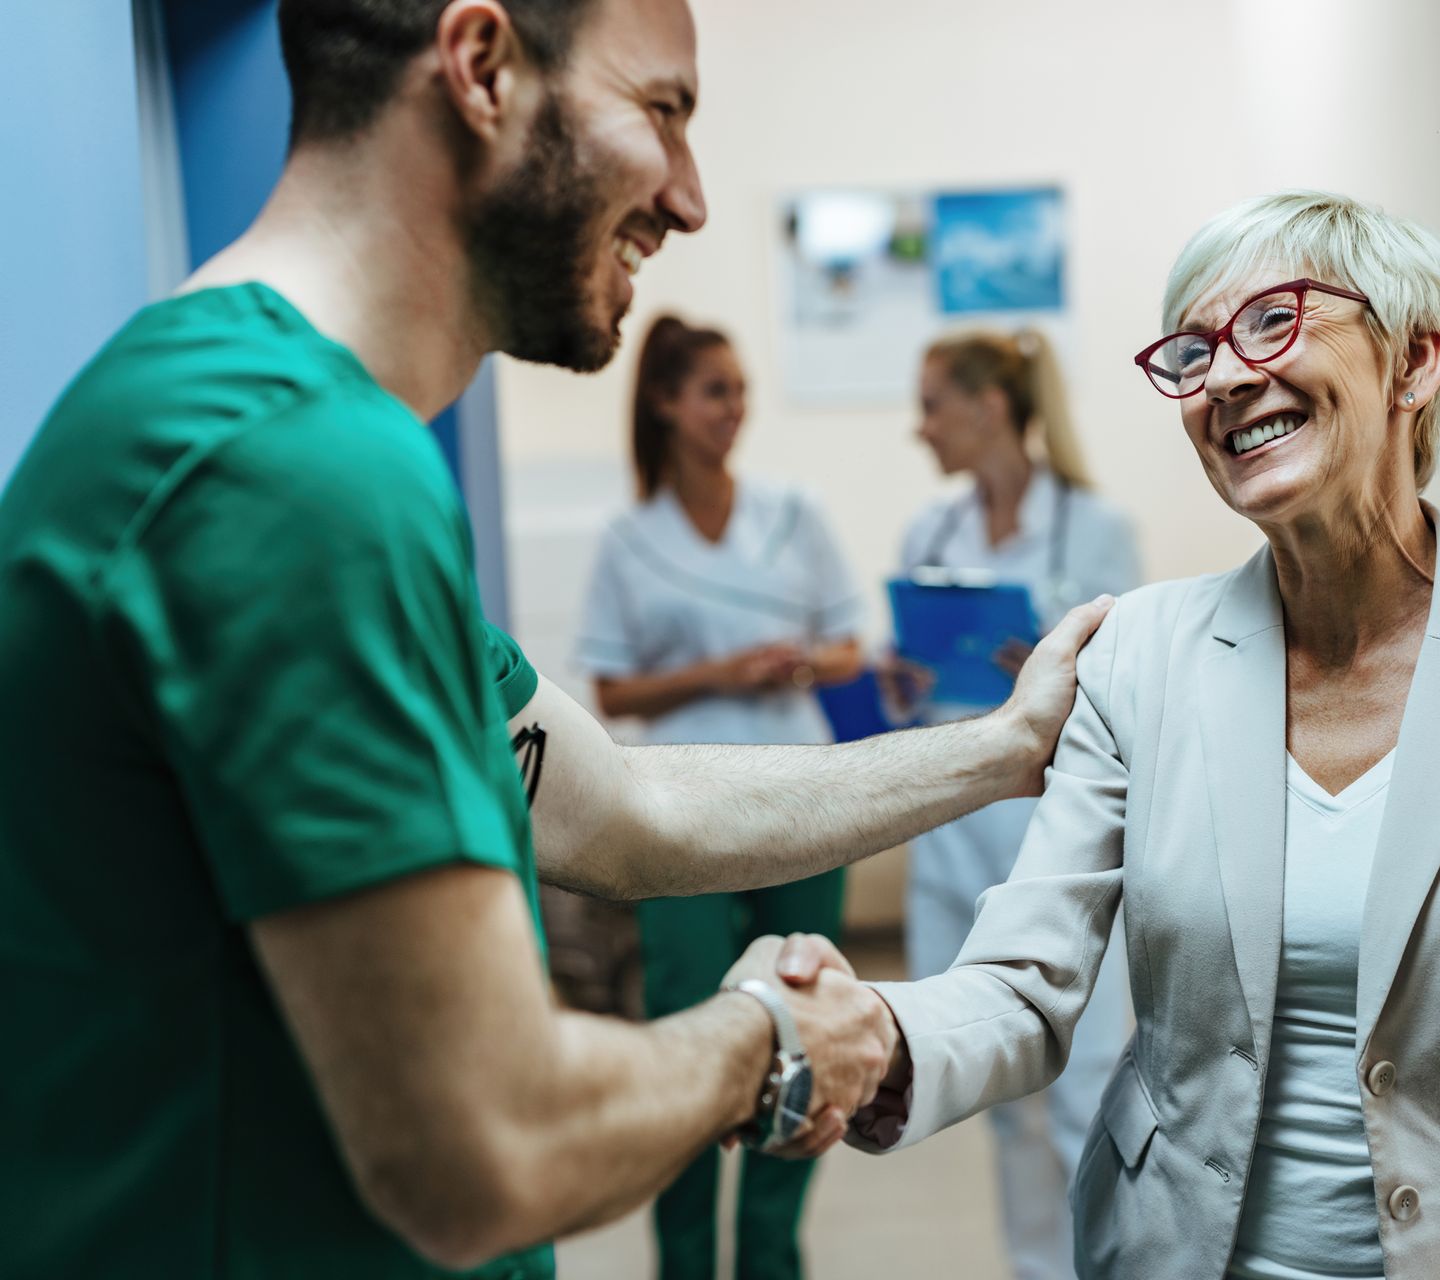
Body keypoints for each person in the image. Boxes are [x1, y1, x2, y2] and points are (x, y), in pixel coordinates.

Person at [0, 2, 1109, 1276]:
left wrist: (1007, 746)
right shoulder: (293, 472)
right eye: (663, 112)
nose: (691, 200)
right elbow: (489, 1145)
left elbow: (626, 808)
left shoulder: (251, 421)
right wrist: (772, 1039)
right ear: (481, 67)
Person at [810, 191, 1440, 1280]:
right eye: (1194, 349)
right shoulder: (1139, 658)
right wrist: (877, 1035)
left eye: (1273, 321)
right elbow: (1025, 979)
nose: (1222, 377)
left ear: (1416, 361)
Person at [574, 313, 865, 1280]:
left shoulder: (795, 510)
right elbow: (612, 690)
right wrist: (718, 673)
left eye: (740, 390)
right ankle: (687, 1262)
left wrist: (797, 666)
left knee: (804, 1026)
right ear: (664, 402)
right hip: (681, 812)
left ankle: (771, 1257)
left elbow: (850, 648)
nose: (734, 409)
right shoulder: (629, 538)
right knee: (687, 1026)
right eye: (713, 391)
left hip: (802, 801)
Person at [890, 328, 1141, 1280]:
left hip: (1063, 833)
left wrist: (1043, 662)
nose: (922, 429)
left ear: (989, 406)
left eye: (932, 405)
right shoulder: (931, 534)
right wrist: (905, 680)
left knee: (1082, 1093)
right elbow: (910, 695)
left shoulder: (1095, 527)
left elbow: (1129, 684)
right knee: (993, 1088)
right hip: (958, 833)